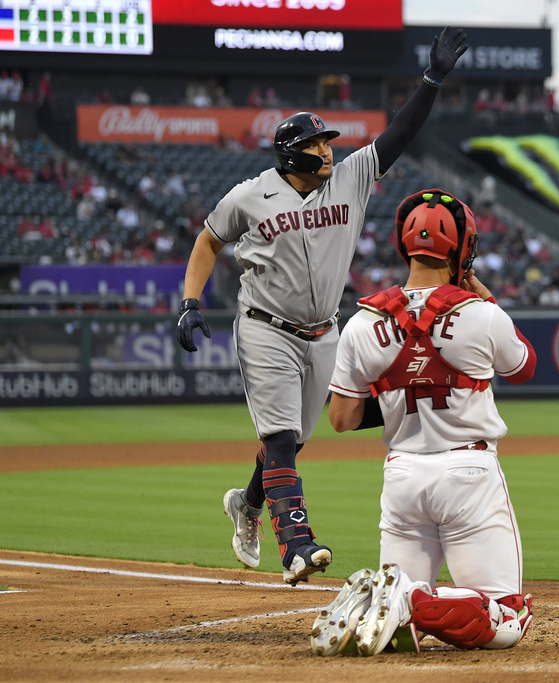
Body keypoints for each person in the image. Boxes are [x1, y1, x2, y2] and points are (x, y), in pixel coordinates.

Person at [175, 27, 469, 585]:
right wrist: (191, 301)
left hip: (323, 331)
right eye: (317, 144)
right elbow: (208, 241)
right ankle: (296, 545)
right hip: (265, 327)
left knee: (310, 433)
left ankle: (247, 502)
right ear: (292, 153)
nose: (328, 149)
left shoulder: (350, 178)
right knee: (281, 439)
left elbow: (398, 135)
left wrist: (431, 81)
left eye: (329, 142)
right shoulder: (249, 195)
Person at [313, 189, 537, 657]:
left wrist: (399, 392)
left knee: (394, 634)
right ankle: (411, 599)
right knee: (508, 617)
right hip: (468, 477)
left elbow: (341, 418)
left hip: (402, 478)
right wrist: (486, 298)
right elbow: (525, 366)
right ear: (461, 249)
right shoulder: (482, 315)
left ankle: (384, 601)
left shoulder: (361, 323)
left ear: (404, 245)